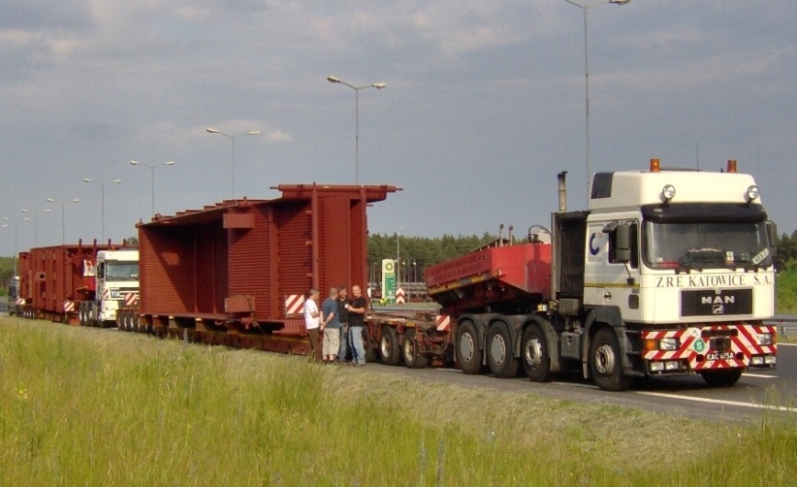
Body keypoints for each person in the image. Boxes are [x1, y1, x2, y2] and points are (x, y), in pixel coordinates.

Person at [347, 285, 368, 366]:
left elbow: (362, 310)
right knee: (351, 343)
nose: (354, 292)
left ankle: (361, 360)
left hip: (357, 324)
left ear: (360, 290)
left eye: (356, 290)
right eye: (353, 290)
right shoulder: (354, 301)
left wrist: (352, 309)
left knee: (357, 343)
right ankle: (355, 359)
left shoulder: (362, 300)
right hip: (351, 325)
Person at [320, 287, 341, 363]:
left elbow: (321, 313)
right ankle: (331, 360)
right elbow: (332, 314)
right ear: (336, 294)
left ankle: (324, 359)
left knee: (326, 343)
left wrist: (322, 323)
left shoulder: (325, 302)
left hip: (326, 328)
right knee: (333, 343)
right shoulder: (333, 303)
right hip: (333, 326)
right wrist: (326, 322)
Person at [303, 288, 322, 362]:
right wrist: (321, 312)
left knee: (313, 342)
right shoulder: (311, 303)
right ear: (313, 294)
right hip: (313, 325)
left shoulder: (309, 302)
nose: (318, 297)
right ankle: (318, 360)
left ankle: (312, 358)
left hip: (311, 325)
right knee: (315, 343)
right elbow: (314, 314)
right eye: (317, 295)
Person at [336, 286, 351, 363]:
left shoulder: (349, 301)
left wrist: (348, 323)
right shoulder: (336, 301)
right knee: (336, 340)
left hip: (345, 324)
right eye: (341, 292)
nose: (343, 293)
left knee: (343, 341)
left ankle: (342, 357)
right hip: (336, 323)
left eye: (344, 292)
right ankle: (336, 355)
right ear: (339, 293)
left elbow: (351, 313)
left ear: (346, 293)